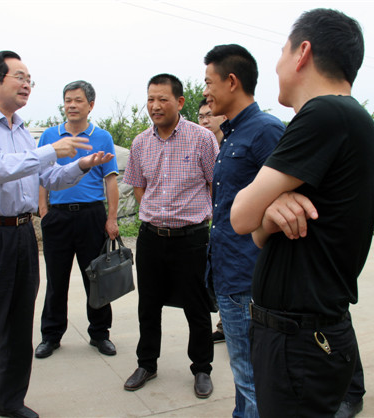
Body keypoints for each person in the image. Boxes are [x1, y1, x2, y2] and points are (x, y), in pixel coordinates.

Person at [231, 9, 374, 417]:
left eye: (283, 51)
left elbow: (240, 216)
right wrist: (271, 210)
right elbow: (258, 232)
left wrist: (260, 207)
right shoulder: (344, 119)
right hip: (300, 337)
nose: (277, 64)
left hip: (300, 343)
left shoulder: (325, 114)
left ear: (303, 53)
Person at [0, 50, 114, 418]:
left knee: (19, 327)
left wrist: (81, 165)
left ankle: (9, 401)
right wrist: (51, 151)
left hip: (23, 234)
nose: (27, 85)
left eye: (30, 80)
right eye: (19, 77)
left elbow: (48, 178)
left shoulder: (23, 130)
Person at [122, 73, 219, 399]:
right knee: (148, 304)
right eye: (151, 99)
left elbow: (214, 185)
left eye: (162, 99)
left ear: (179, 102)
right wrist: (156, 214)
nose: (155, 105)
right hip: (151, 237)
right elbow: (139, 187)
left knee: (196, 306)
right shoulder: (140, 142)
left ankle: (202, 368)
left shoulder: (202, 139)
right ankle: (146, 363)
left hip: (192, 239)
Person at [203, 44, 285, 418]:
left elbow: (287, 203)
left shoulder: (265, 131)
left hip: (248, 277)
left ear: (232, 81)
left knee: (252, 378)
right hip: (227, 272)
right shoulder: (232, 134)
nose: (206, 91)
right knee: (243, 374)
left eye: (209, 82)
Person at [35, 80, 119, 359]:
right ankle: (51, 335)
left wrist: (111, 218)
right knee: (56, 279)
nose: (71, 105)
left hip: (91, 216)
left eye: (78, 100)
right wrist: (43, 210)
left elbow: (110, 181)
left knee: (95, 277)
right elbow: (41, 177)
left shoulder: (102, 137)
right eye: (68, 100)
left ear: (90, 105)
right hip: (57, 216)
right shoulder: (50, 136)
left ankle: (100, 334)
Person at [198, 98, 227, 345]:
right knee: (214, 274)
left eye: (209, 115)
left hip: (231, 220)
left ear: (223, 117)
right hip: (209, 222)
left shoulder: (230, 145)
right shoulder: (203, 146)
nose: (205, 120)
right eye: (201, 116)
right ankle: (224, 324)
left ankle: (234, 326)